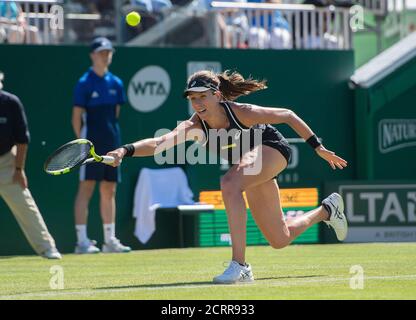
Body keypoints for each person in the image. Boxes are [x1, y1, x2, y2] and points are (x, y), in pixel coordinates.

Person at [107, 70, 348, 283]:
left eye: (202, 96)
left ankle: (240, 266)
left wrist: (318, 148)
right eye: (193, 98)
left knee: (230, 182)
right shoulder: (193, 126)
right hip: (249, 165)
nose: (198, 102)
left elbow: (287, 115)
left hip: (271, 149)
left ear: (217, 95)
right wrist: (124, 150)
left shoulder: (242, 112)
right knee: (279, 238)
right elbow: (159, 144)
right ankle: (327, 210)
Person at [71, 37, 131, 254]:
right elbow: (76, 117)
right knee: (86, 188)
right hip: (90, 141)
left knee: (109, 189)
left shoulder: (116, 82)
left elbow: (115, 115)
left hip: (112, 140)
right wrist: (81, 145)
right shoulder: (84, 83)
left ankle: (109, 240)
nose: (106, 55)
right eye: (102, 52)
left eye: (108, 52)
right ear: (93, 55)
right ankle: (82, 242)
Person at [0, 71, 61, 259]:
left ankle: (47, 248)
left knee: (26, 206)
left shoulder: (11, 103)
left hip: (7, 163)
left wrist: (19, 169)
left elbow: (22, 141)